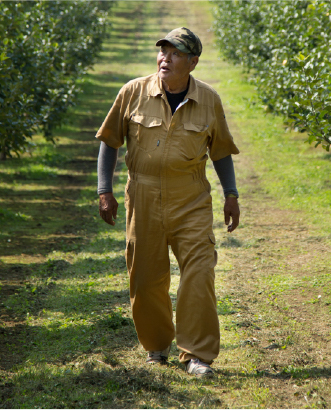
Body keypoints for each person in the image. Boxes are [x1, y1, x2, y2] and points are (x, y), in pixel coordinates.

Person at [95, 27, 240, 378]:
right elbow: (110, 141)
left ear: (192, 62)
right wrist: (105, 190)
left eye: (175, 53)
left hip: (190, 197)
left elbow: (220, 152)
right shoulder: (133, 93)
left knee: (199, 271)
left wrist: (231, 194)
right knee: (146, 278)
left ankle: (196, 355)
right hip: (142, 196)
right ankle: (157, 346)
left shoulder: (208, 100)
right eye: (163, 51)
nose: (165, 58)